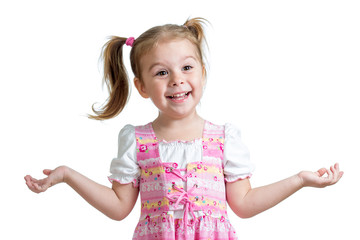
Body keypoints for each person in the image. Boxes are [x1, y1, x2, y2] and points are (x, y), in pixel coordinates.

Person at [24, 17, 343, 240]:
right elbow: (120, 207)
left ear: (202, 73)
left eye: (186, 67)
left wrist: (300, 180)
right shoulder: (136, 140)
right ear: (142, 86)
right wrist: (67, 175)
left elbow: (243, 205)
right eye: (162, 72)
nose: (177, 79)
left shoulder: (223, 138)